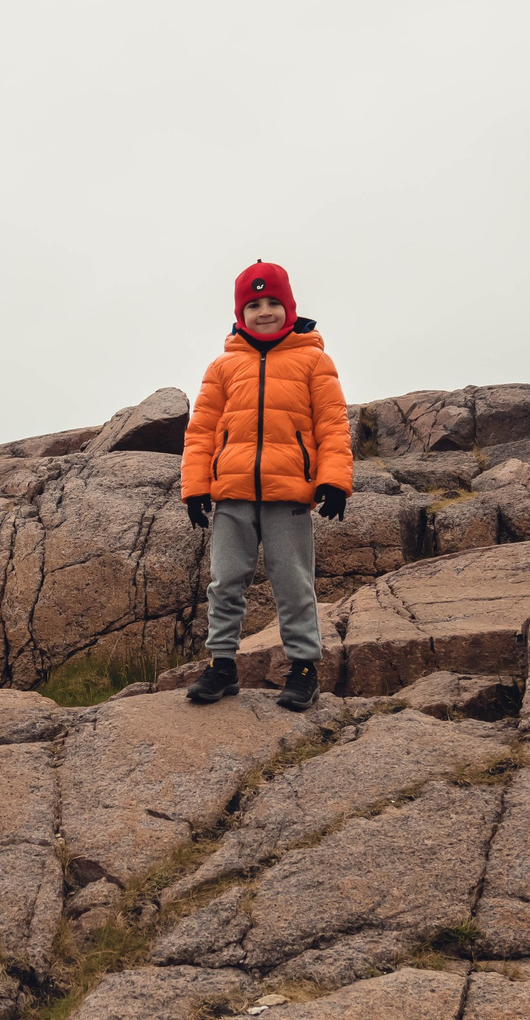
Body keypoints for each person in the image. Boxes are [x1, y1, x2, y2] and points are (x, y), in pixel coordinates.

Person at [180, 261, 351, 711]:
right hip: (232, 493)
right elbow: (201, 432)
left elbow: (332, 425)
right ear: (241, 313)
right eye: (253, 304)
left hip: (289, 495)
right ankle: (221, 666)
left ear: (289, 306)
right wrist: (196, 487)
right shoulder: (222, 367)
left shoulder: (314, 360)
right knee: (225, 581)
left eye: (273, 302)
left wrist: (334, 482)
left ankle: (304, 670)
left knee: (293, 583)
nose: (264, 311)